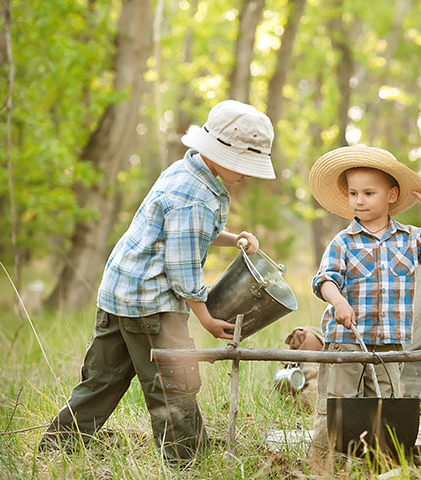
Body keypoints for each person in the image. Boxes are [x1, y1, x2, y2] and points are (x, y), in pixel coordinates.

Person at [39, 100, 277, 463]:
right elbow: (182, 268)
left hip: (120, 293)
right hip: (153, 302)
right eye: (245, 167)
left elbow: (185, 233)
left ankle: (58, 445)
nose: (247, 175)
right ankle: (186, 458)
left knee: (102, 379)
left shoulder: (185, 173)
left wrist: (232, 238)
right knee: (172, 383)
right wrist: (206, 318)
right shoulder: (195, 198)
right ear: (223, 155)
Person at [307, 145, 421, 454]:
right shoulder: (343, 241)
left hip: (389, 341)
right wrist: (338, 302)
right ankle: (325, 461)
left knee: (386, 404)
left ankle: (381, 459)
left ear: (390, 196)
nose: (359, 200)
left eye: (368, 193)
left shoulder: (410, 238)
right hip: (347, 339)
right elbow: (325, 280)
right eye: (353, 193)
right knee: (338, 402)